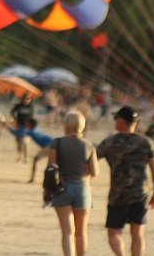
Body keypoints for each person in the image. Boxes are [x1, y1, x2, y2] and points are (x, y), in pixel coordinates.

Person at [96, 105, 154, 256]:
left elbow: (92, 159)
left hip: (118, 195)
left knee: (114, 233)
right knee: (138, 233)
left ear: (121, 121)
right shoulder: (146, 143)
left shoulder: (109, 142)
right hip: (141, 194)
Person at [48, 110, 99, 256]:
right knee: (81, 232)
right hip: (83, 189)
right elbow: (94, 171)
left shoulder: (57, 143)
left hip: (62, 189)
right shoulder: (88, 145)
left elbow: (51, 167)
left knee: (67, 232)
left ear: (67, 126)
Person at [11, 93, 35, 162]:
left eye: (28, 99)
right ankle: (19, 154)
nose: (27, 100)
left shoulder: (31, 107)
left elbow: (31, 117)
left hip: (27, 127)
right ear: (22, 99)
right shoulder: (19, 106)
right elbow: (12, 112)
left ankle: (25, 157)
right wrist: (15, 119)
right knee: (19, 142)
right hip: (19, 126)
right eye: (25, 99)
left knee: (25, 143)